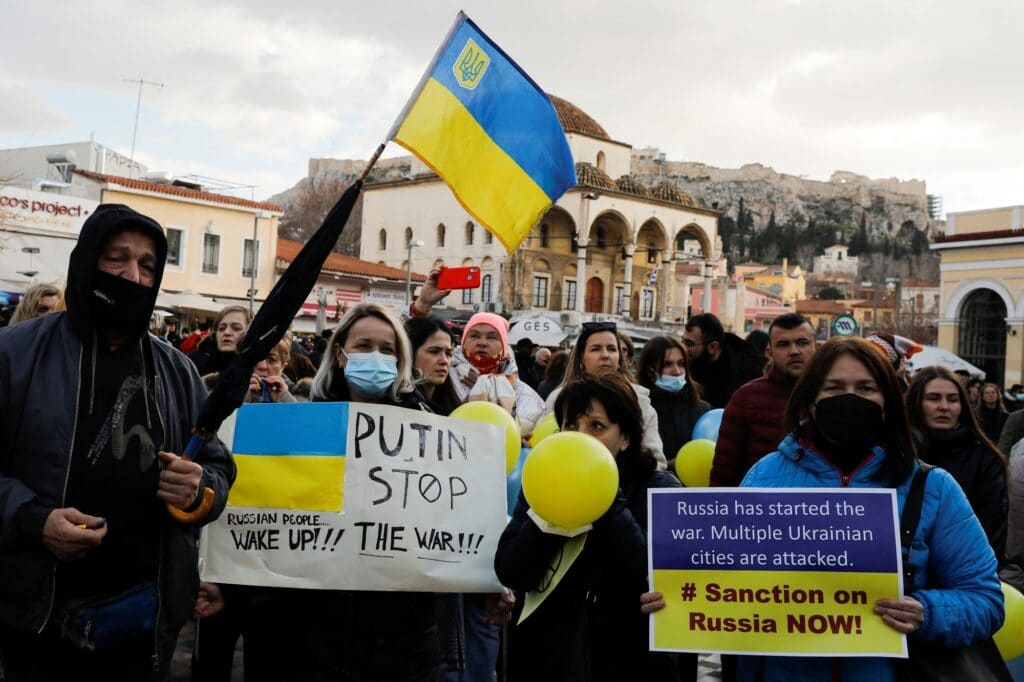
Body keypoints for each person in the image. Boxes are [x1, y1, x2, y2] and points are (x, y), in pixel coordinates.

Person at [643, 336, 1006, 680]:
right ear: (811, 398)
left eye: (866, 388)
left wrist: (926, 612)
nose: (850, 399)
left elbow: (985, 599)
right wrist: (677, 597)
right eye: (834, 388)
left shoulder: (932, 487)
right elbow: (727, 584)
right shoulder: (763, 476)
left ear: (889, 400)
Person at [0, 204, 235, 680]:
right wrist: (32, 520)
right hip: (34, 618)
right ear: (87, 261)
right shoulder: (15, 354)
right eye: (117, 258)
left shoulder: (178, 369)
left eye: (148, 266)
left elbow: (216, 471)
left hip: (141, 621)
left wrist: (199, 491)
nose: (133, 275)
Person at [263, 303, 442, 680]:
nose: (375, 356)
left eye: (387, 348)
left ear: (399, 360)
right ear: (340, 355)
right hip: (315, 627)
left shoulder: (428, 432)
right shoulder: (303, 427)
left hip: (402, 632)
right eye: (363, 346)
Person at [496, 370, 680, 681]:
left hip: (626, 661)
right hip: (546, 656)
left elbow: (659, 579)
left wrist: (607, 500)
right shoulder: (541, 482)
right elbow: (511, 570)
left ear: (625, 437)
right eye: (571, 425)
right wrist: (544, 519)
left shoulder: (659, 489)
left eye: (596, 426)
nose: (580, 436)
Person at [906, 366, 1008, 563]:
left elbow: (991, 532)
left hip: (963, 572)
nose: (944, 406)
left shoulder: (984, 458)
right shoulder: (897, 454)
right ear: (916, 403)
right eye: (934, 398)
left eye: (953, 400)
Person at [710, 313, 817, 487]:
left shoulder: (831, 395)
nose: (794, 351)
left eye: (802, 343)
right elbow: (723, 473)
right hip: (758, 509)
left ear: (816, 346)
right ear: (769, 352)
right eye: (783, 344)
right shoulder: (745, 399)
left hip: (818, 508)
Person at [543, 321, 666, 469]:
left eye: (612, 349)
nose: (605, 355)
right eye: (596, 349)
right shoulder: (560, 399)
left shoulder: (640, 400)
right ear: (581, 357)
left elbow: (656, 461)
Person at [636, 335, 710, 467]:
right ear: (649, 371)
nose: (676, 371)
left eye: (681, 364)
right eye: (667, 364)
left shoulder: (702, 411)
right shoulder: (640, 410)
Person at [682, 313, 761, 408]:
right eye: (683, 341)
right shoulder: (685, 364)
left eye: (689, 344)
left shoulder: (746, 371)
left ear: (713, 347)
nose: (684, 349)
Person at [406, 315, 461, 417]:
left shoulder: (452, 406)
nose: (444, 361)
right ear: (409, 353)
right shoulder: (395, 407)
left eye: (449, 354)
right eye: (434, 351)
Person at [188, 306, 251, 376]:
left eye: (236, 328)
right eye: (221, 328)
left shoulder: (259, 367)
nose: (226, 332)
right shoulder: (193, 363)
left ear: (250, 332)